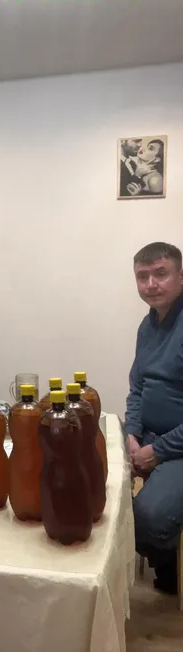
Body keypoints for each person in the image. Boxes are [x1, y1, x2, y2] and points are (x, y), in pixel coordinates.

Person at [125, 242, 183, 594]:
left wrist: (157, 451)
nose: (151, 284)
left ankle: (168, 564)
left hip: (178, 448)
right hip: (147, 436)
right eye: (142, 276)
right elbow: (137, 389)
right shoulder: (146, 327)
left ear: (181, 277)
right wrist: (132, 434)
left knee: (146, 519)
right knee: (87, 476)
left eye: (161, 273)